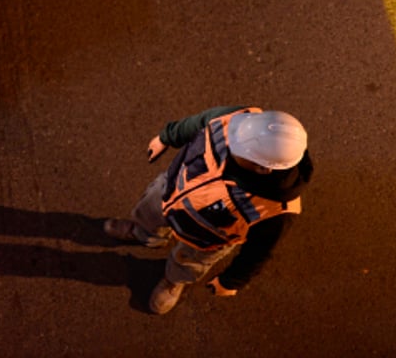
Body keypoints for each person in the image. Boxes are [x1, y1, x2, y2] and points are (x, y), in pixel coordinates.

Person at [104, 105, 313, 314]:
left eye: (238, 148)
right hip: (171, 190)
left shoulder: (277, 211)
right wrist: (167, 137)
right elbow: (200, 122)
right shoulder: (239, 121)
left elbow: (257, 253)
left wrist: (231, 282)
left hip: (207, 239)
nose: (230, 139)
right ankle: (145, 234)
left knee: (189, 262)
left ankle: (172, 280)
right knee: (149, 212)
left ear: (262, 168)